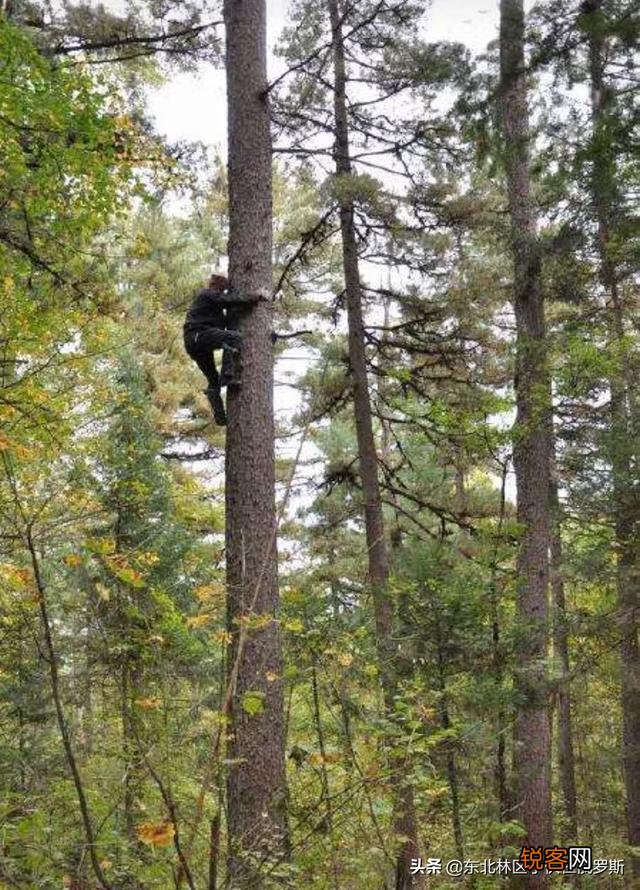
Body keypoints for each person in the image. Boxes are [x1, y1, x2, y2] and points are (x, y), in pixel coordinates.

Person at [183, 274, 264, 425]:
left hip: (195, 343)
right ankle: (229, 375)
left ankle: (219, 415)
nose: (224, 291)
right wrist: (254, 296)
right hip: (198, 335)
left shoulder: (213, 307)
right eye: (223, 288)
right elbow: (228, 300)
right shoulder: (207, 295)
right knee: (234, 338)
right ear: (216, 285)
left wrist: (243, 306)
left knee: (213, 379)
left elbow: (226, 314)